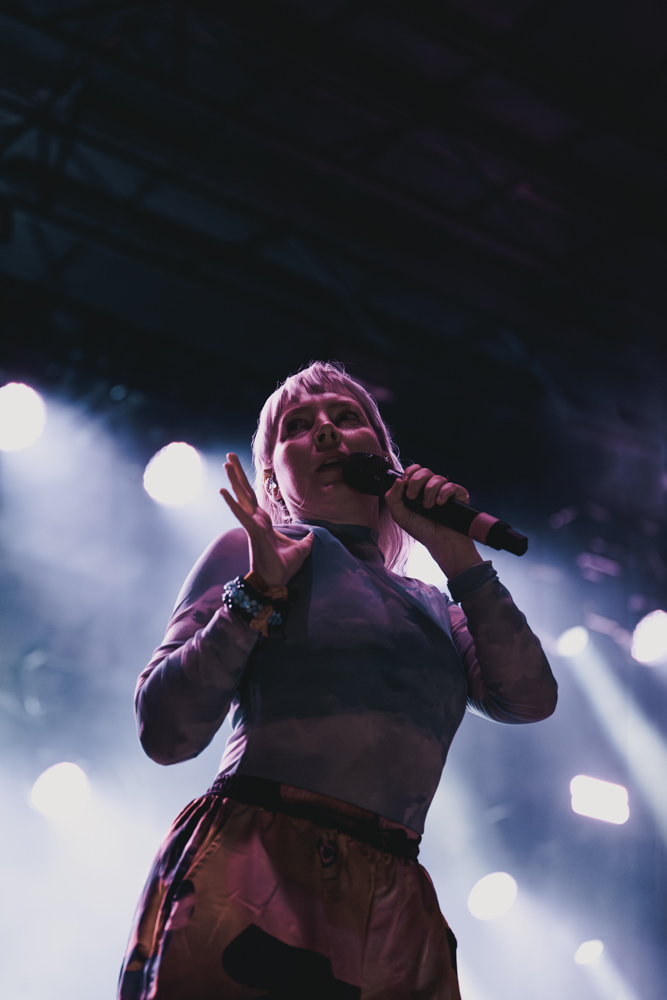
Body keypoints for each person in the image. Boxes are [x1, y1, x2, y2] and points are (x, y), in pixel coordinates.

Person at [118, 361, 557, 1000]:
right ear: (272, 475)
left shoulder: (437, 604)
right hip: (257, 859)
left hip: (392, 891)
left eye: (347, 417)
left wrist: (455, 553)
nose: (326, 430)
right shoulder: (254, 554)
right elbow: (165, 732)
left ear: (384, 458)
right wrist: (257, 591)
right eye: (298, 425)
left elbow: (530, 699)